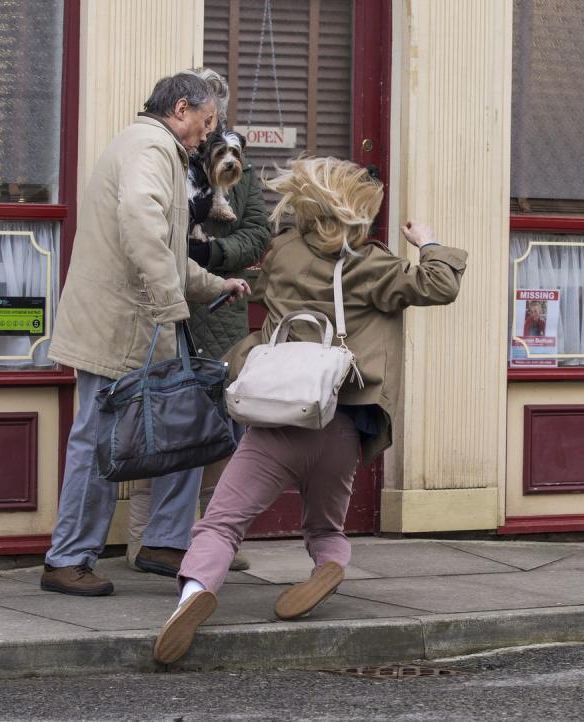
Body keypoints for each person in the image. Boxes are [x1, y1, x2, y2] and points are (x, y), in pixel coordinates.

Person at [152, 157, 468, 663]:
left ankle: (193, 596)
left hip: (276, 419)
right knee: (325, 526)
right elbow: (439, 285)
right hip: (339, 422)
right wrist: (427, 241)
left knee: (220, 524)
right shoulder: (372, 265)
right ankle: (328, 565)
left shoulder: (282, 253)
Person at [41, 73, 250, 597]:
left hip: (137, 323)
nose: (207, 137)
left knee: (189, 424)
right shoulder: (150, 148)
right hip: (120, 326)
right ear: (181, 109)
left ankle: (163, 541)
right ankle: (67, 558)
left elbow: (166, 249)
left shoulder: (157, 150)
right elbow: (141, 224)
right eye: (206, 124)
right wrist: (171, 302)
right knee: (96, 440)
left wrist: (212, 284)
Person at [126, 69, 270, 575]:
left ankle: (213, 541)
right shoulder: (169, 160)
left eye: (218, 118)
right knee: (163, 431)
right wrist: (183, 255)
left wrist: (211, 251)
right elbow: (152, 231)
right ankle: (146, 541)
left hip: (222, 318)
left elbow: (258, 237)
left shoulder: (243, 173)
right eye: (207, 120)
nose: (212, 130)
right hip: (169, 313)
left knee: (222, 438)